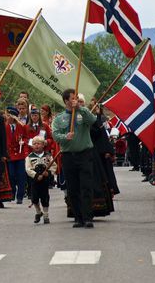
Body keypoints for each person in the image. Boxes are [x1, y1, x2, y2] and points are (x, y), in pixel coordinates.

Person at [52, 88, 96, 228]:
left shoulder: (83, 113)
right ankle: (78, 218)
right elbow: (55, 135)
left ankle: (88, 217)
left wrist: (80, 108)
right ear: (66, 101)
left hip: (84, 154)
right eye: (72, 98)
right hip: (68, 156)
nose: (75, 100)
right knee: (73, 188)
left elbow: (93, 120)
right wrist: (65, 137)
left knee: (86, 187)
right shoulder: (59, 118)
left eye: (76, 97)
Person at [25, 136, 57, 224]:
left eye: (38, 143)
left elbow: (54, 166)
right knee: (34, 198)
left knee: (45, 198)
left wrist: (49, 173)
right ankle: (38, 212)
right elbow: (28, 169)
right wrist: (35, 175)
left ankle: (46, 215)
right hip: (34, 181)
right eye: (34, 144)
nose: (36, 145)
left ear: (43, 145)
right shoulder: (29, 157)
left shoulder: (48, 156)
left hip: (44, 181)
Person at [5, 106, 28, 204]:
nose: (8, 118)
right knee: (11, 175)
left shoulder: (21, 126)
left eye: (10, 116)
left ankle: (20, 196)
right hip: (10, 155)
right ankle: (12, 193)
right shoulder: (4, 126)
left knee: (21, 176)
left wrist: (24, 142)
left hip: (20, 154)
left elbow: (27, 138)